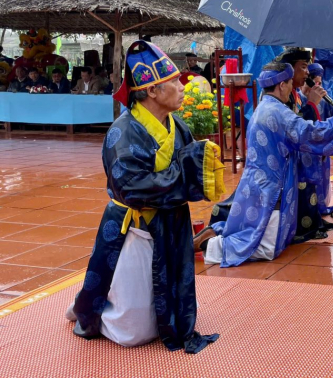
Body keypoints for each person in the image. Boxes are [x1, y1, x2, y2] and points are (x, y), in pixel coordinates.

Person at [66, 40, 225, 353]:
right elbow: (132, 188)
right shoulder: (121, 133)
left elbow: (188, 168)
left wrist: (200, 167)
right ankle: (91, 311)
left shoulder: (176, 126)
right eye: (175, 82)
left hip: (171, 224)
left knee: (166, 312)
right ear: (152, 91)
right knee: (133, 333)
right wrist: (188, 169)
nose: (183, 86)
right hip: (135, 226)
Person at [194, 61, 333, 266]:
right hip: (271, 188)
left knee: (259, 233)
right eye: (290, 83)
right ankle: (212, 246)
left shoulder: (265, 106)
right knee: (267, 248)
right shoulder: (279, 112)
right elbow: (310, 133)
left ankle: (216, 232)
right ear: (281, 85)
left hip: (258, 182)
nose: (292, 87)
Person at [293, 62, 333, 242]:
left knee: (323, 176)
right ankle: (309, 212)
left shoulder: (323, 97)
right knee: (307, 181)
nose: (317, 86)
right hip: (304, 148)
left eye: (320, 82)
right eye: (313, 82)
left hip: (321, 145)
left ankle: (321, 206)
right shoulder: (297, 98)